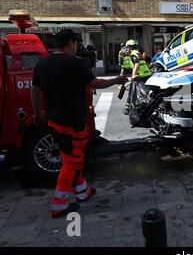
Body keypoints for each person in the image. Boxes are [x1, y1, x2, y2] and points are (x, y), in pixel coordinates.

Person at [31, 29, 127, 218]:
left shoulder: (41, 64)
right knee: (71, 162)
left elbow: (34, 91)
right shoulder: (74, 63)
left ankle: (82, 191)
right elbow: (96, 83)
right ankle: (59, 204)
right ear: (69, 44)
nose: (76, 47)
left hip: (54, 121)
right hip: (72, 121)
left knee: (76, 158)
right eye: (75, 43)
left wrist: (37, 114)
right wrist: (117, 79)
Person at [123, 40, 152, 115]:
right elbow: (146, 63)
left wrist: (133, 75)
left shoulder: (133, 54)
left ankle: (128, 108)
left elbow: (136, 64)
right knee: (145, 91)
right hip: (146, 75)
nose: (127, 49)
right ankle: (129, 107)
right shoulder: (139, 53)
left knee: (134, 92)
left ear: (130, 47)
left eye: (127, 47)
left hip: (140, 76)